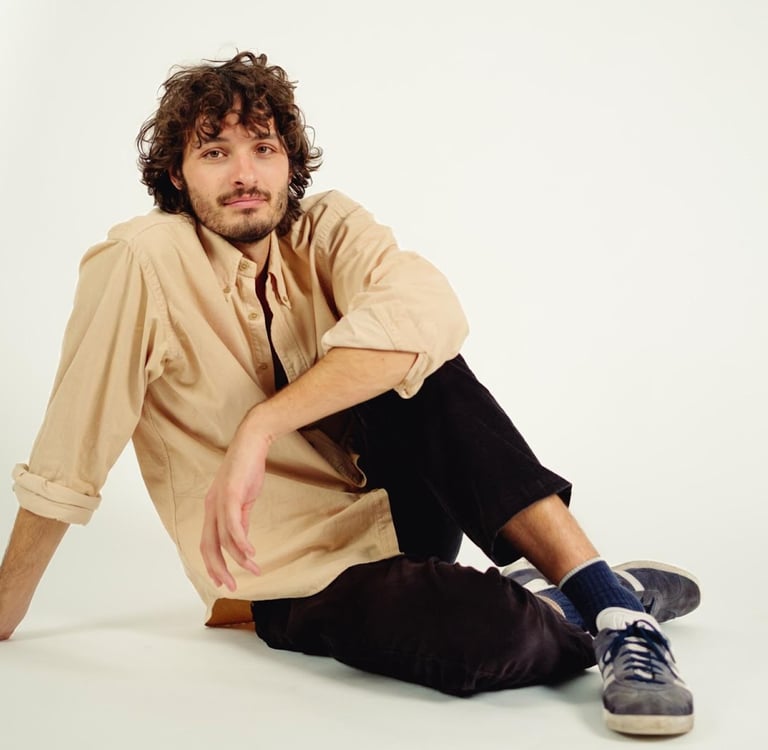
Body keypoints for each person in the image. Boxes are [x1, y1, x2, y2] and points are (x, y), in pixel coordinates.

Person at [0, 51, 700, 736]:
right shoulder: (141, 261)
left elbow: (431, 312)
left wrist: (261, 426)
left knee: (423, 364)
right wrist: (4, 611)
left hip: (403, 513)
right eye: (214, 152)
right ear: (177, 175)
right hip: (291, 575)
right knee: (493, 639)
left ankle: (615, 614)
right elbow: (71, 448)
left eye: (263, 149)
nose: (245, 174)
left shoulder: (327, 228)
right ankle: (591, 595)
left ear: (288, 162)